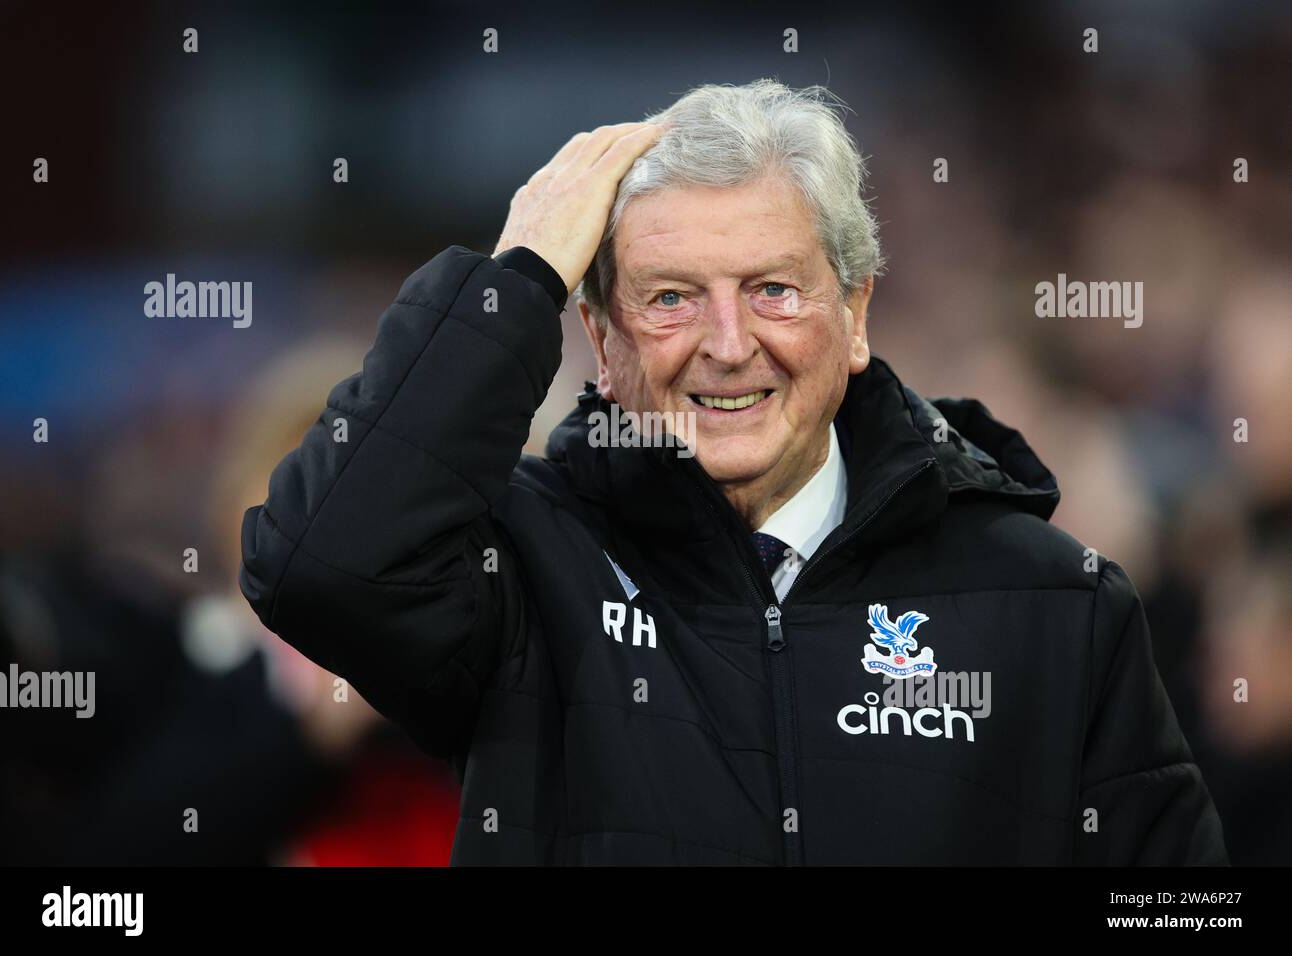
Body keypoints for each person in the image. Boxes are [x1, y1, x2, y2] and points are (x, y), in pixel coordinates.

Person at [240, 80, 1228, 865]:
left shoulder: (1055, 600)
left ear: (855, 316)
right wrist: (513, 281)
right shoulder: (520, 570)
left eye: (772, 289)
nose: (727, 343)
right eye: (670, 297)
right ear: (599, 336)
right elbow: (321, 562)